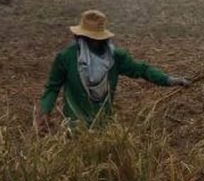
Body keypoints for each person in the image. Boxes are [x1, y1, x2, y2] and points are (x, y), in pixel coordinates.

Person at [36, 10, 191, 132]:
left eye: (96, 38)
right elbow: (52, 87)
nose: (93, 41)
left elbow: (142, 70)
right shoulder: (67, 57)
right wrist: (44, 113)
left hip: (104, 128)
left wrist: (169, 80)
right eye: (89, 37)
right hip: (75, 129)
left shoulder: (115, 58)